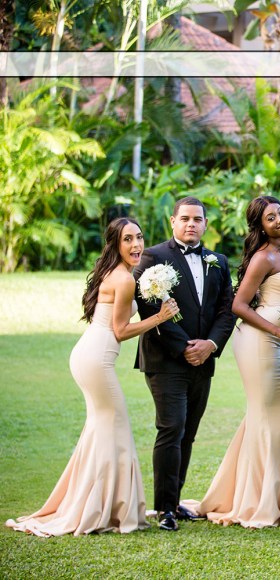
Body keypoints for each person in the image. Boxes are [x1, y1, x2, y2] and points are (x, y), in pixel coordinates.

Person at [7, 218, 179, 537]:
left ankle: (103, 503)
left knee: (101, 430)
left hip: (88, 355)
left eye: (139, 237)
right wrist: (159, 316)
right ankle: (105, 509)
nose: (136, 244)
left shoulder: (118, 273)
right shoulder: (123, 279)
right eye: (128, 239)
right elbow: (121, 330)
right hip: (96, 359)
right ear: (115, 244)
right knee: (115, 425)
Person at [180, 196, 280, 527]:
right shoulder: (263, 257)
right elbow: (239, 305)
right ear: (260, 226)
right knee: (265, 418)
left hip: (279, 346)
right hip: (257, 341)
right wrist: (277, 329)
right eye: (271, 217)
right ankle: (258, 500)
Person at [133, 197, 236, 532]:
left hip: (204, 359)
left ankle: (175, 501)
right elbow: (148, 306)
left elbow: (226, 309)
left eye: (198, 219)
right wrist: (183, 347)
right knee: (171, 428)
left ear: (205, 224)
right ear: (173, 221)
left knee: (188, 433)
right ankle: (163, 508)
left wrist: (210, 345)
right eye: (185, 219)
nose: (192, 224)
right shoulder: (154, 256)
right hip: (165, 359)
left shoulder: (217, 261)